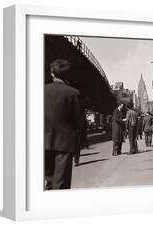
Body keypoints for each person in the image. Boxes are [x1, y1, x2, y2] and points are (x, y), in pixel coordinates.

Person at [44, 59, 85, 189]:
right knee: (61, 184)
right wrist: (79, 145)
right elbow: (80, 123)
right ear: (67, 75)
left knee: (47, 182)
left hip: (43, 142)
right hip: (65, 144)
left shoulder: (40, 91)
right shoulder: (74, 93)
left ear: (52, 73)